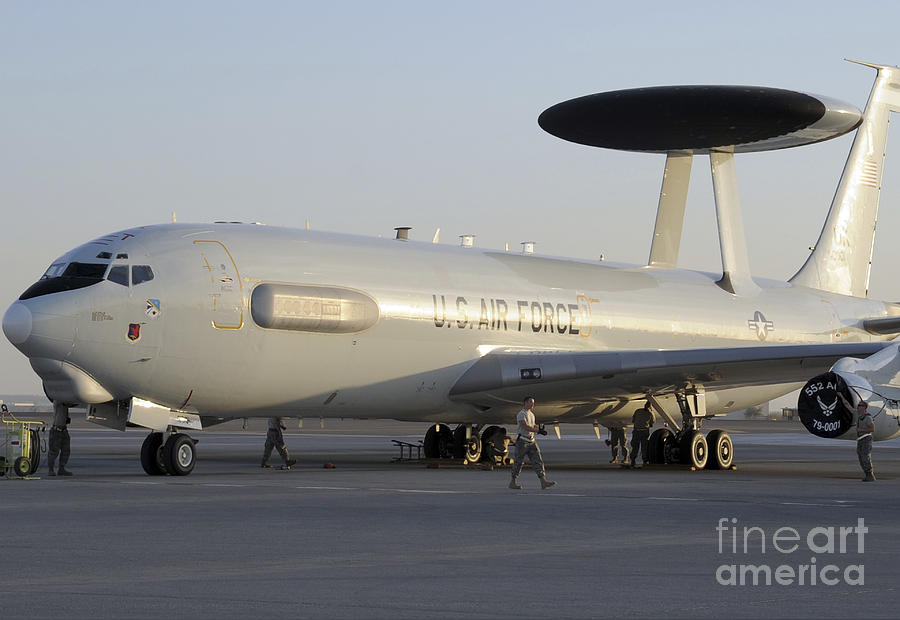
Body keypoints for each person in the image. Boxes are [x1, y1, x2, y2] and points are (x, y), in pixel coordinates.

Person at [509, 397, 556, 490]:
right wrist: (537, 430)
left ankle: (543, 481)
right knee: (518, 462)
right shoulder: (521, 414)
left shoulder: (531, 414)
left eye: (533, 402)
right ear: (525, 403)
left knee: (538, 460)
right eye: (531, 402)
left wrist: (539, 429)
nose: (532, 404)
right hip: (522, 441)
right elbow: (525, 426)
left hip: (531, 440)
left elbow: (532, 425)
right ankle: (513, 482)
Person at [839, 394, 875, 481]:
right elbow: (848, 406)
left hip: (866, 438)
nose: (858, 406)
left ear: (864, 408)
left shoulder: (868, 417)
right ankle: (867, 474)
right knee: (860, 456)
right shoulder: (858, 414)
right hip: (860, 439)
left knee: (865, 456)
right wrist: (841, 396)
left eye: (860, 405)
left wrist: (860, 430)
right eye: (858, 405)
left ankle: (870, 475)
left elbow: (872, 429)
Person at [48, 403, 73, 477]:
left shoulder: (65, 403)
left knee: (66, 450)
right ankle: (51, 470)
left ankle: (61, 468)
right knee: (53, 451)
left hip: (63, 430)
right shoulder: (58, 402)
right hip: (56, 430)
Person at [629, 402, 654, 468]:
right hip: (644, 431)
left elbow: (633, 420)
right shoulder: (650, 413)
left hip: (637, 431)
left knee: (635, 447)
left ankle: (633, 460)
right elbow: (652, 423)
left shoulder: (638, 411)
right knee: (644, 447)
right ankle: (644, 461)